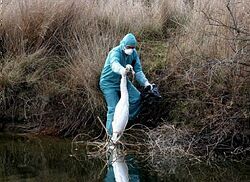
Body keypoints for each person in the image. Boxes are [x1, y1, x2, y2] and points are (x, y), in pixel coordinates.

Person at [99, 33, 153, 136]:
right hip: (108, 83)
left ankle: (124, 123)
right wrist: (122, 70)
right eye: (129, 47)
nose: (131, 49)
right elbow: (114, 64)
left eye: (133, 47)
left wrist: (146, 83)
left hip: (123, 81)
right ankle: (111, 136)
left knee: (137, 98)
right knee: (113, 109)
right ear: (123, 45)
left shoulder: (133, 54)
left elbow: (138, 71)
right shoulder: (115, 52)